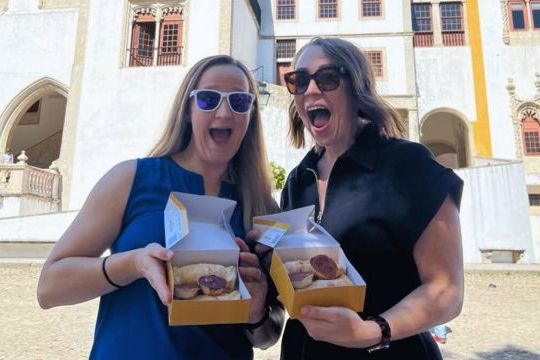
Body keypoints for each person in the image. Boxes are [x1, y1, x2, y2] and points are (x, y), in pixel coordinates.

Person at [37, 55, 284, 359]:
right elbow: (49, 288)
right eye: (208, 99)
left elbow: (267, 335)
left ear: (250, 115)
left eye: (239, 101)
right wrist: (133, 264)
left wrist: (257, 311)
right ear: (188, 110)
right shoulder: (130, 178)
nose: (224, 111)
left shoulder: (263, 206)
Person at [276, 37, 464, 359]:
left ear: (356, 86)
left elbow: (446, 290)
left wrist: (373, 331)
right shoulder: (297, 180)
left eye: (327, 78)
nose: (310, 90)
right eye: (300, 80)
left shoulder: (409, 165)